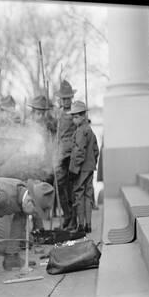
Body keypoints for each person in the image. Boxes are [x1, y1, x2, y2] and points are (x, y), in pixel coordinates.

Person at [69, 101, 99, 233]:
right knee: (88, 195)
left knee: (79, 195)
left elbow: (79, 152)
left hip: (80, 168)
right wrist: (92, 164)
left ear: (83, 116)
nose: (73, 119)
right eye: (73, 117)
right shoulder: (90, 130)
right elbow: (96, 150)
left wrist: (74, 169)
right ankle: (88, 224)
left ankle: (81, 225)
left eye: (75, 117)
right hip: (90, 167)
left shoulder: (81, 131)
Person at [54, 80, 78, 230]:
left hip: (71, 155)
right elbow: (57, 134)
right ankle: (67, 216)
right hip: (60, 154)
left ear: (72, 98)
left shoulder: (75, 113)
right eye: (64, 98)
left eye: (68, 98)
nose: (66, 101)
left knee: (71, 189)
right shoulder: (59, 113)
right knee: (60, 186)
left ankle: (73, 220)